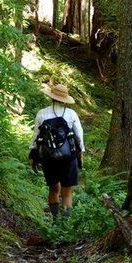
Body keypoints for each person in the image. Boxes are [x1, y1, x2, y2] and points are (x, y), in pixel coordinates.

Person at [29, 83, 85, 219]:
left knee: (54, 189)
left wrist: (33, 155)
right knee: (67, 193)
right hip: (68, 157)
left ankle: (55, 219)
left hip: (48, 158)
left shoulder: (42, 113)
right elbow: (79, 135)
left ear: (52, 98)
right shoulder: (71, 114)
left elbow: (36, 136)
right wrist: (80, 152)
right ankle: (65, 224)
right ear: (65, 99)